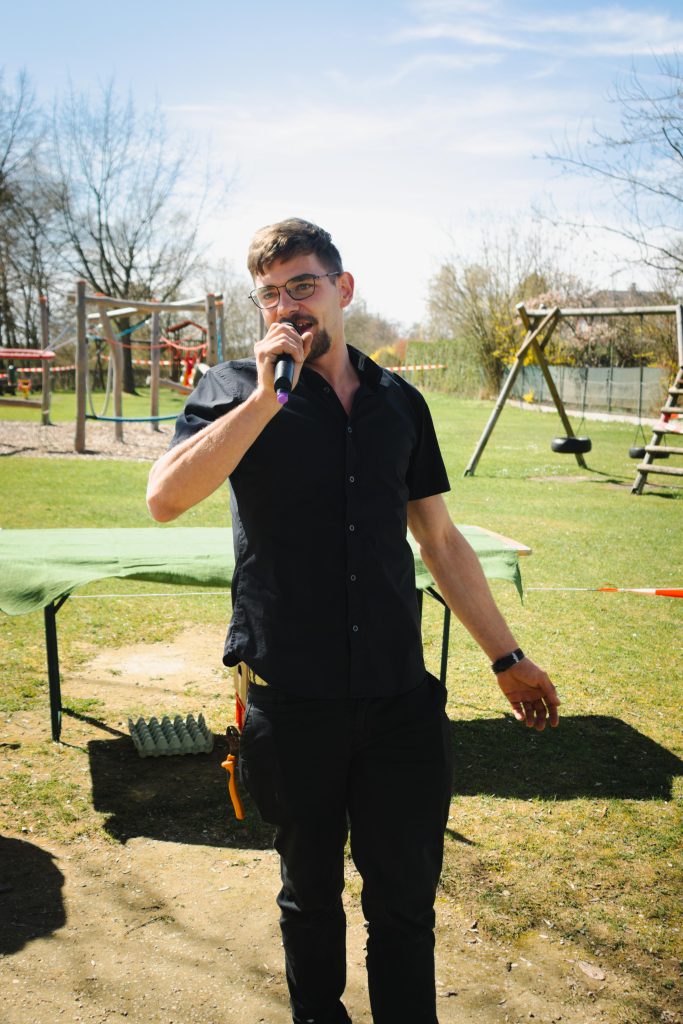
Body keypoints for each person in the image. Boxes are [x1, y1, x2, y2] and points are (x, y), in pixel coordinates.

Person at [146, 218, 560, 1024]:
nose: (286, 306)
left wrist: (506, 657)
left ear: (342, 288)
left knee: (404, 905)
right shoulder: (234, 388)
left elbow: (439, 540)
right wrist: (267, 399)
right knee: (309, 898)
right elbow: (165, 498)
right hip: (290, 698)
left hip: (397, 700)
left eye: (301, 285)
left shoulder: (398, 402)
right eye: (269, 294)